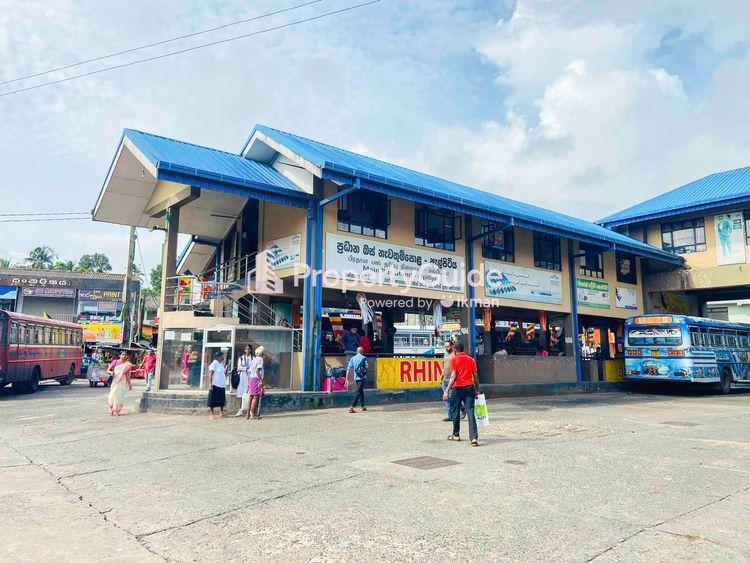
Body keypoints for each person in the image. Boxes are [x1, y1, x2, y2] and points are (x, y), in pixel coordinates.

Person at [443, 341, 480, 446]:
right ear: (463, 349)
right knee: (470, 412)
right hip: (469, 387)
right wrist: (477, 389)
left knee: (455, 412)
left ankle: (456, 435)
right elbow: (476, 376)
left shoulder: (453, 359)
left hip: (457, 388)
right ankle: (473, 438)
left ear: (454, 349)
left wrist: (446, 390)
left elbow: (453, 376)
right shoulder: (471, 359)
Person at [440, 339, 465, 422]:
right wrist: (441, 378)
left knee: (451, 397)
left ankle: (461, 410)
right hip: (445, 379)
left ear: (451, 346)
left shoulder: (455, 354)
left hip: (452, 379)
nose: (446, 348)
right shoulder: (445, 354)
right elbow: (444, 367)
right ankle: (450, 415)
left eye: (447, 346)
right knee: (446, 398)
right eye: (445, 347)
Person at [107, 351, 133, 416]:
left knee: (119, 396)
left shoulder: (128, 365)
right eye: (122, 354)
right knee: (112, 395)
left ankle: (116, 411)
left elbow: (128, 376)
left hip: (122, 382)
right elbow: (108, 370)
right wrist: (111, 372)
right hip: (115, 381)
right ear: (120, 356)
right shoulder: (115, 362)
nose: (124, 355)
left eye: (125, 354)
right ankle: (111, 409)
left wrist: (129, 384)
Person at [346, 346, 368, 413]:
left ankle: (362, 406)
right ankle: (352, 407)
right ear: (362, 352)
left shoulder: (353, 358)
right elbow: (367, 367)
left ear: (357, 351)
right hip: (362, 377)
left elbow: (348, 369)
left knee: (361, 391)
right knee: (358, 391)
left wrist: (346, 379)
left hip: (356, 377)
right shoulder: (364, 358)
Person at [246, 346, 265, 420]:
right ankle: (252, 413)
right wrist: (260, 380)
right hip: (256, 379)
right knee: (255, 397)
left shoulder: (254, 359)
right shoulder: (260, 360)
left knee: (250, 396)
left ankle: (248, 414)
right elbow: (257, 371)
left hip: (251, 378)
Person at [234, 344, 253, 417]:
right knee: (241, 393)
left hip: (249, 376)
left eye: (249, 349)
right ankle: (240, 409)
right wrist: (246, 368)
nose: (247, 350)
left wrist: (247, 368)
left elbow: (253, 368)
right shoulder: (241, 358)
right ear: (244, 350)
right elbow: (239, 367)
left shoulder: (253, 358)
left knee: (249, 393)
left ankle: (250, 410)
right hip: (242, 377)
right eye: (246, 349)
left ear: (251, 350)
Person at [207, 352, 227, 420]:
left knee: (221, 400)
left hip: (221, 385)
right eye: (222, 356)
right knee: (213, 400)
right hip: (215, 384)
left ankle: (221, 412)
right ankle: (211, 413)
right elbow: (210, 374)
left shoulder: (221, 364)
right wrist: (210, 384)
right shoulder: (214, 364)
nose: (223, 357)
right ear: (218, 357)